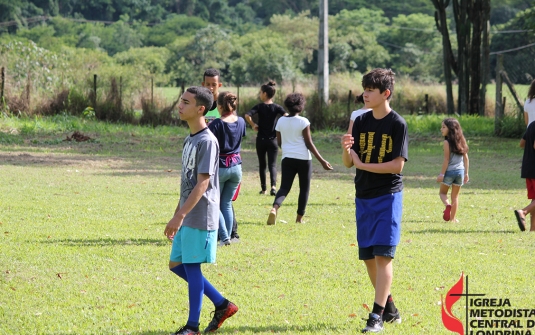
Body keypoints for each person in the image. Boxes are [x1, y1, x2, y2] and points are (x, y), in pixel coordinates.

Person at [164, 86, 238, 335]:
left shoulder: (207, 141)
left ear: (200, 109)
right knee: (176, 265)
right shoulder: (190, 139)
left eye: (186, 102)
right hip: (187, 213)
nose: (180, 105)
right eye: (180, 101)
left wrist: (181, 215)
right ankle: (222, 304)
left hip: (200, 213)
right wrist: (177, 213)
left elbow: (203, 182)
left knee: (192, 266)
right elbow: (186, 182)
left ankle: (192, 327)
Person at [341, 68, 407, 333]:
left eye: (370, 90)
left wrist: (362, 164)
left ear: (385, 94)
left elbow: (397, 166)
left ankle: (376, 317)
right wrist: (346, 149)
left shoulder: (397, 124)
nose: (365, 94)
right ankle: (389, 306)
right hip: (363, 196)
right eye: (364, 89)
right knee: (369, 257)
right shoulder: (359, 120)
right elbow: (349, 163)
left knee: (383, 257)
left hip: (387, 197)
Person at [266, 92, 333, 225]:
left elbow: (279, 142)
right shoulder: (303, 121)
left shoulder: (281, 121)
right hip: (303, 159)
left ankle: (274, 208)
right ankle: (299, 219)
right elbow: (309, 143)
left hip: (287, 158)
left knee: (284, 187)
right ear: (301, 106)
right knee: (304, 189)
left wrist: (288, 148)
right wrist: (322, 161)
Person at [201, 68, 240, 241]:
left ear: (219, 85)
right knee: (218, 199)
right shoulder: (200, 104)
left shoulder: (224, 104)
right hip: (219, 159)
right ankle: (217, 233)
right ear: (203, 84)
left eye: (213, 84)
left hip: (222, 162)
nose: (210, 87)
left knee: (221, 200)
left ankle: (231, 234)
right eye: (207, 84)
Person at [208, 92, 246, 245]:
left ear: (221, 106)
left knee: (214, 202)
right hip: (236, 167)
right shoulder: (242, 121)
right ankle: (229, 237)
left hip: (221, 167)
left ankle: (223, 237)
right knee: (227, 203)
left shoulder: (216, 124)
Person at [245, 80, 287, 196]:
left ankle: (264, 190)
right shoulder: (277, 107)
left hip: (261, 140)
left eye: (260, 92)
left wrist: (253, 125)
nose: (260, 94)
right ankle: (273, 186)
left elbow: (247, 115)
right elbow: (287, 116)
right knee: (272, 165)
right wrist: (280, 127)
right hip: (273, 140)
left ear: (264, 93)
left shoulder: (259, 107)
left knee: (262, 165)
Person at [436, 118, 469, 223]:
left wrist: (442, 174)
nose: (441, 129)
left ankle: (447, 205)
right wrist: (466, 173)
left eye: (443, 127)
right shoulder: (461, 140)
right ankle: (453, 219)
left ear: (450, 129)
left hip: (449, 172)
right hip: (460, 172)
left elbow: (446, 159)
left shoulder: (446, 142)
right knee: (455, 196)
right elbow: (466, 158)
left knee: (442, 193)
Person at [515, 121, 535, 232]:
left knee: (534, 200)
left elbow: (522, 143)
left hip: (528, 167)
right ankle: (523, 212)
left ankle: (533, 229)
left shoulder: (532, 124)